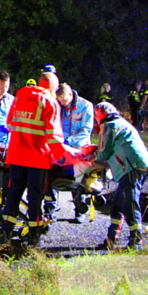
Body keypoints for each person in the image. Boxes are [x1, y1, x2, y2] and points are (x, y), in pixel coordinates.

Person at [1, 69, 80, 246]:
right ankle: (33, 237)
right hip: (37, 159)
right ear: (53, 87)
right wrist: (66, 156)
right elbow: (54, 137)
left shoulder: (20, 96)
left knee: (13, 194)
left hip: (16, 156)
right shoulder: (49, 102)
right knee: (35, 198)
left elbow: (10, 124)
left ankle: (6, 233)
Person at [91, 101, 148, 250]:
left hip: (131, 166)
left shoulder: (109, 125)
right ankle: (111, 239)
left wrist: (89, 157)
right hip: (136, 164)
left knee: (129, 203)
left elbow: (104, 152)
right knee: (118, 204)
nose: (95, 118)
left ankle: (136, 240)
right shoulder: (118, 122)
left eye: (96, 115)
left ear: (101, 114)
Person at [54, 83, 95, 223]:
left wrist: (70, 141)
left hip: (79, 148)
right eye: (60, 101)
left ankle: (80, 210)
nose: (63, 103)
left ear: (70, 95)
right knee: (54, 175)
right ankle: (51, 209)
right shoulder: (58, 105)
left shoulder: (85, 106)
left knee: (78, 179)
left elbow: (86, 130)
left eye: (64, 100)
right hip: (61, 148)